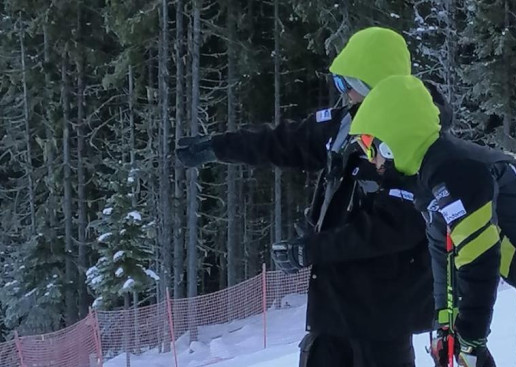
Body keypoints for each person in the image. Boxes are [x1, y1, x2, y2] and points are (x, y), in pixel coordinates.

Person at [176, 27, 452, 367]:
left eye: (350, 85)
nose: (345, 93)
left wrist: (312, 248)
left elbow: (394, 228)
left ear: (377, 87)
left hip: (383, 316)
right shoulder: (345, 125)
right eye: (341, 83)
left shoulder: (416, 140)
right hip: (333, 310)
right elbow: (284, 140)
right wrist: (218, 147)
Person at [348, 75, 516, 367]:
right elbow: (444, 253)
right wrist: (445, 325)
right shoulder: (429, 181)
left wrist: (471, 338)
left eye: (369, 145)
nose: (370, 159)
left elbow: (479, 257)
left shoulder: (456, 171)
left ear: (393, 141)